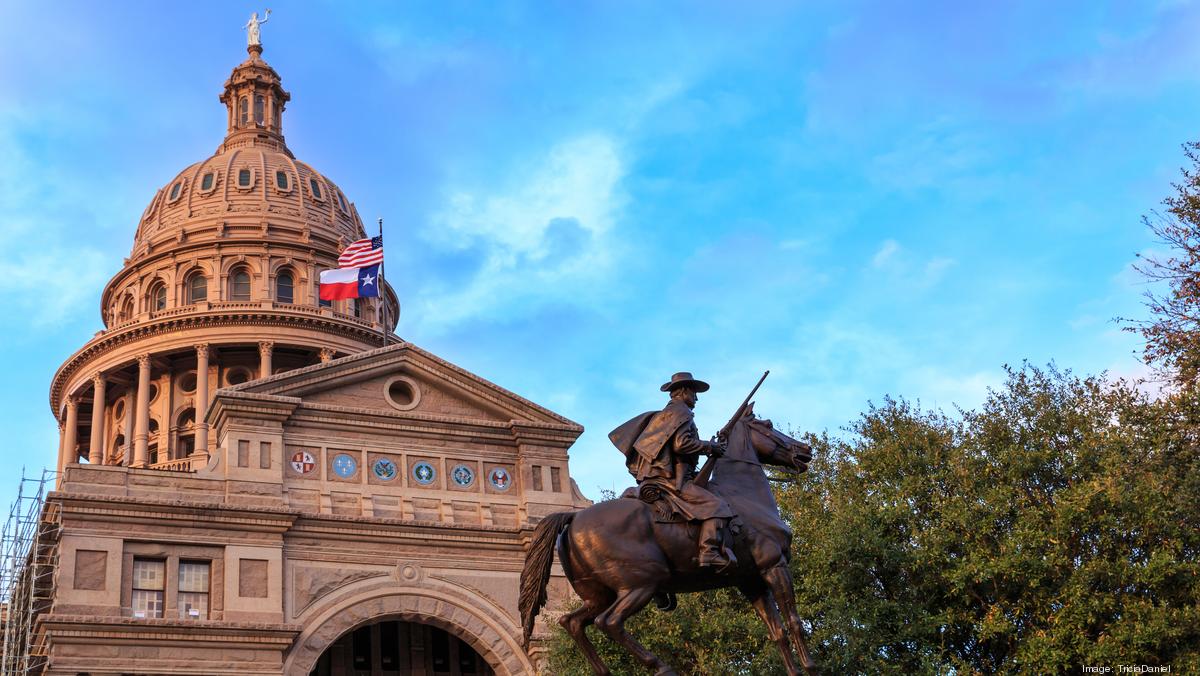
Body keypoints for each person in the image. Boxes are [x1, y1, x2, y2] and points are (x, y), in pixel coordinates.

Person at [609, 372, 737, 570]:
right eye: (693, 393)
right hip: (672, 480)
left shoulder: (667, 414)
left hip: (661, 476)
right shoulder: (681, 412)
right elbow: (681, 445)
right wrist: (710, 447)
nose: (696, 398)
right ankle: (709, 551)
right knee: (718, 506)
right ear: (684, 391)